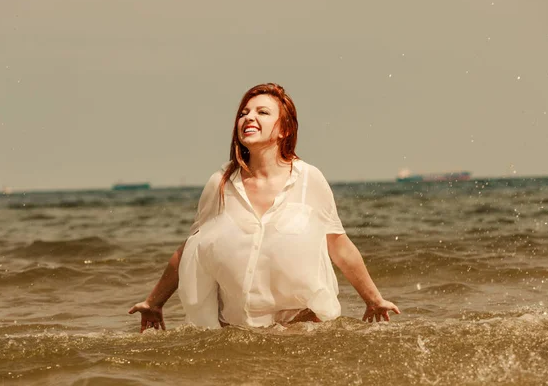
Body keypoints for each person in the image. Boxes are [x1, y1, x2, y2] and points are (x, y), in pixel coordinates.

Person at [129, 83, 400, 332]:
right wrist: (154, 302)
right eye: (243, 113)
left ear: (284, 129)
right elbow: (191, 249)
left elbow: (339, 246)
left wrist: (374, 300)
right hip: (237, 330)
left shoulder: (309, 180)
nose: (249, 117)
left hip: (302, 328)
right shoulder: (220, 184)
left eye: (262, 112)